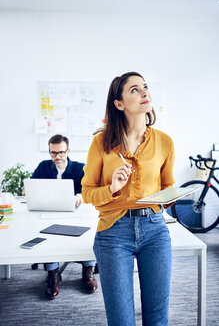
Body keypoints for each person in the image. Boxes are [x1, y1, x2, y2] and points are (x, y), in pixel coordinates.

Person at [81, 72, 175, 326]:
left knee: (157, 317)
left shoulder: (165, 142)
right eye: (134, 90)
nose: (144, 92)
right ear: (119, 104)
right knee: (120, 319)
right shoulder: (101, 142)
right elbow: (87, 191)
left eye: (145, 87)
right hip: (113, 232)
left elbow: (168, 186)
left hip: (155, 230)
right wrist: (111, 188)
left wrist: (169, 198)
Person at [30, 134, 97, 299]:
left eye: (60, 152)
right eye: (53, 153)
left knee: (89, 233)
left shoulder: (80, 168)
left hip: (77, 213)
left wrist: (79, 197)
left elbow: (88, 190)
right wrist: (30, 191)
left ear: (68, 150)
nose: (57, 157)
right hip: (49, 213)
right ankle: (53, 274)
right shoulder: (43, 166)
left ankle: (88, 270)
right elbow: (30, 186)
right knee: (46, 235)